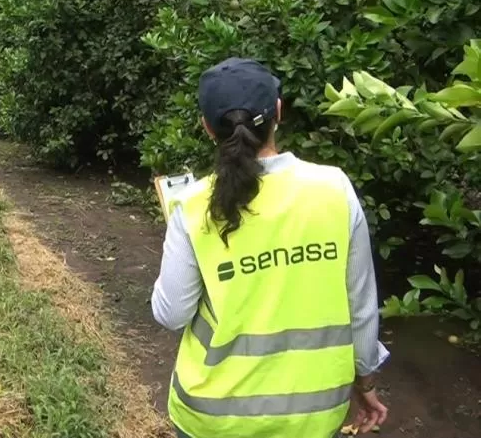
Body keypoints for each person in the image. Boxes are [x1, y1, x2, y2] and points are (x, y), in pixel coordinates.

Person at [151, 58, 390, 438]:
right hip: (314, 415)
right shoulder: (334, 189)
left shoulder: (193, 205)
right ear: (278, 111)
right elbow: (360, 306)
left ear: (207, 128)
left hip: (212, 417)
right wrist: (366, 383)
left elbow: (171, 313)